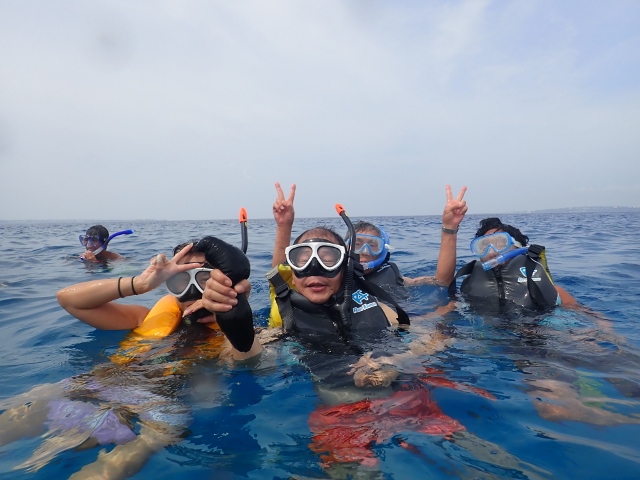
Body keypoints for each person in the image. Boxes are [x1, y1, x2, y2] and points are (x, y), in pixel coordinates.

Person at [1, 236, 259, 479]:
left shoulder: (239, 335)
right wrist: (142, 283)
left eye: (204, 280)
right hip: (97, 385)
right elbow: (68, 299)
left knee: (164, 430)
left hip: (159, 407)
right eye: (180, 280)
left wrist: (233, 312)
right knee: (37, 398)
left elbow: (249, 360)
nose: (192, 291)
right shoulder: (142, 318)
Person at [271, 183, 468, 293]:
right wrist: (283, 226)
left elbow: (441, 282)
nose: (364, 253)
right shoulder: (332, 277)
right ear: (345, 250)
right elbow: (279, 276)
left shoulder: (397, 279)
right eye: (357, 245)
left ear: (384, 251)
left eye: (373, 245)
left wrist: (449, 228)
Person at [449, 217, 577, 311]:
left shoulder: (554, 292)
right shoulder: (468, 288)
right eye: (483, 246)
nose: (492, 252)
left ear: (518, 248)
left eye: (500, 243)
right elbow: (448, 311)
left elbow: (584, 317)